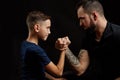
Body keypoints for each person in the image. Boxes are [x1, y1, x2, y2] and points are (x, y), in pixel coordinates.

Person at [56, 0, 120, 80]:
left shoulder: (117, 34)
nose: (80, 24)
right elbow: (80, 70)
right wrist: (65, 48)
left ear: (94, 16)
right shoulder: (89, 37)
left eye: (82, 18)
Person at [20, 10, 71, 80]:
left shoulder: (24, 44)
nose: (49, 32)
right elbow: (59, 73)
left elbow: (37, 70)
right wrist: (63, 48)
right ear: (37, 28)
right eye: (47, 28)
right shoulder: (36, 50)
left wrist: (54, 79)